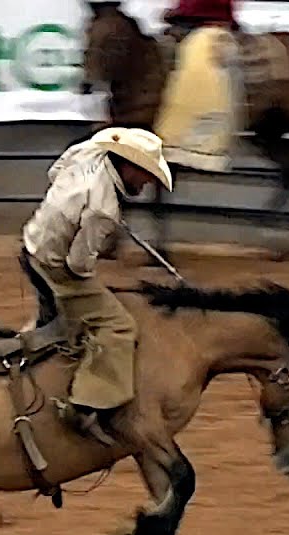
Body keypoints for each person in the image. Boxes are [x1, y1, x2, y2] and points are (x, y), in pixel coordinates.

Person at [20, 127, 173, 446]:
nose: (146, 184)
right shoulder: (104, 210)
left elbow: (55, 171)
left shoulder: (89, 151)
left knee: (71, 316)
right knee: (118, 326)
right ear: (129, 167)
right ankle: (87, 404)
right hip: (54, 266)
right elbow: (78, 265)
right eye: (145, 176)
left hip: (32, 245)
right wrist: (100, 230)